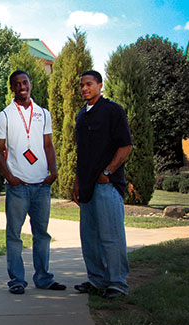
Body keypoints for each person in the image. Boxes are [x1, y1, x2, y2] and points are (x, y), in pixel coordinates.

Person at [0, 70, 65, 295]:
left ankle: (43, 278)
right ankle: (16, 281)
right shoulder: (4, 116)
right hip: (18, 187)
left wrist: (53, 172)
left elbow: (48, 146)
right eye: (17, 84)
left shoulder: (43, 113)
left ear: (30, 84)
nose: (22, 86)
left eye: (25, 82)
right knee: (14, 235)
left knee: (41, 234)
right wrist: (11, 178)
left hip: (42, 185)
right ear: (12, 88)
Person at [72, 70, 132, 299]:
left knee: (111, 236)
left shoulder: (112, 111)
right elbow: (82, 153)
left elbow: (125, 146)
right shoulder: (81, 115)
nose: (84, 88)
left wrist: (108, 172)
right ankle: (96, 281)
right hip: (86, 186)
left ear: (100, 85)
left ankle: (117, 283)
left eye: (89, 84)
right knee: (89, 238)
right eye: (82, 85)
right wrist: (78, 182)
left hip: (107, 185)